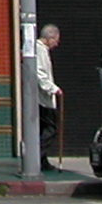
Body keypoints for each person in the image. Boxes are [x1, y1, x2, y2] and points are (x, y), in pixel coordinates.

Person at [35, 22, 64, 163]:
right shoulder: (39, 50)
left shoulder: (42, 50)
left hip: (42, 97)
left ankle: (43, 159)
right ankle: (38, 157)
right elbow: (40, 73)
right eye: (56, 40)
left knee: (43, 128)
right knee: (51, 128)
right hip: (43, 98)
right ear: (49, 38)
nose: (56, 44)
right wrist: (53, 88)